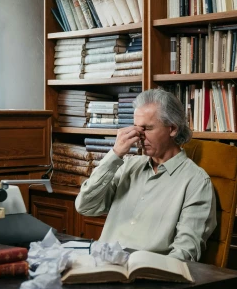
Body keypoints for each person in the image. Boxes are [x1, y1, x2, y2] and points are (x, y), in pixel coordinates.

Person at [75, 89, 216, 262]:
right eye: (136, 128)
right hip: (101, 265)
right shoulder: (127, 165)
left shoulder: (196, 182)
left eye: (147, 128)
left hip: (147, 278)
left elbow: (186, 252)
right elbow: (85, 206)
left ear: (172, 129)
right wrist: (114, 155)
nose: (139, 136)